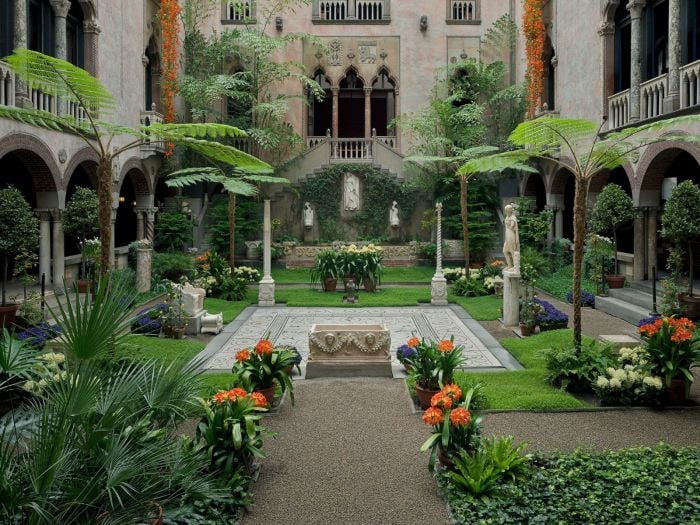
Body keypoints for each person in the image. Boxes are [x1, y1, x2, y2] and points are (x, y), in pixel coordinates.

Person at [503, 204, 520, 271]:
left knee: (513, 251)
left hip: (511, 234)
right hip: (507, 234)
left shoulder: (513, 217)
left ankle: (515, 267)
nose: (506, 211)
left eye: (507, 210)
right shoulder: (507, 216)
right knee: (505, 251)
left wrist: (508, 224)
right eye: (506, 210)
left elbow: (512, 226)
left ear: (509, 210)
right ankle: (510, 265)